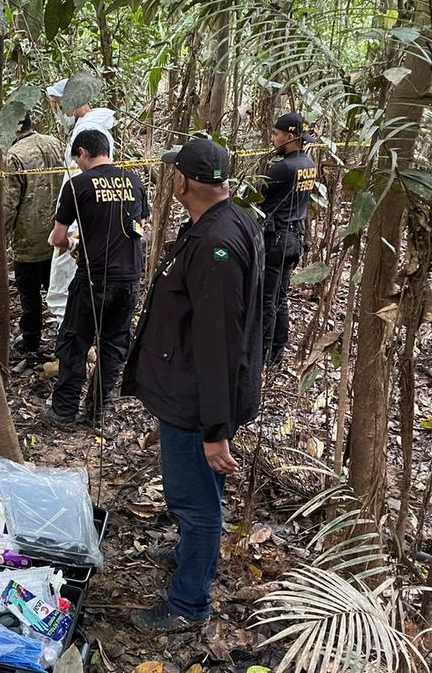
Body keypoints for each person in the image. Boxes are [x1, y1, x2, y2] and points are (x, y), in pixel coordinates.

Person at [121, 139, 263, 633]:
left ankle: (188, 603)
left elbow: (218, 340)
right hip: (198, 392)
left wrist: (215, 427)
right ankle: (188, 552)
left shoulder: (215, 245)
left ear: (182, 182)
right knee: (203, 493)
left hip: (197, 402)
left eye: (172, 175)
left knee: (196, 502)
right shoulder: (231, 221)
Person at [45, 129, 148, 427]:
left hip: (94, 279)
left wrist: (73, 245)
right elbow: (139, 227)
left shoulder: (78, 185)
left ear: (82, 154)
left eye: (77, 159)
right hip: (130, 278)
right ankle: (97, 413)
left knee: (74, 342)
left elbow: (58, 237)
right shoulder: (135, 180)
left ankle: (64, 411)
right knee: (114, 345)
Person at [43, 78, 117, 330]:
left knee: (63, 285)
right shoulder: (94, 126)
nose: (57, 111)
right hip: (90, 217)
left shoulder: (87, 131)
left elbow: (81, 181)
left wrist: (68, 228)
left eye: (58, 105)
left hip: (78, 221)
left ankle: (73, 347)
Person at [2, 112, 64, 356]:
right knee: (58, 288)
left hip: (28, 240)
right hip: (60, 233)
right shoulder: (55, 144)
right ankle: (65, 337)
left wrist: (0, 239)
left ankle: (31, 340)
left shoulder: (14, 156)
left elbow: (8, 204)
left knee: (29, 296)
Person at [259, 111, 317, 366]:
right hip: (295, 238)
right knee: (279, 297)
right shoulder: (308, 164)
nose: (272, 139)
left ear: (290, 136)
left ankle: (263, 356)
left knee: (267, 300)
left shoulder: (283, 168)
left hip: (278, 240)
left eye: (275, 134)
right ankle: (277, 353)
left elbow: (256, 196)